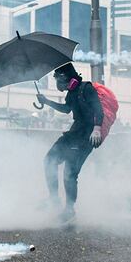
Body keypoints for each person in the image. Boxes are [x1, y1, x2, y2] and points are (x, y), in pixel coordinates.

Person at [36, 63, 104, 223]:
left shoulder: (86, 88)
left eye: (57, 80)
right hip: (73, 134)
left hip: (86, 137)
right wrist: (46, 101)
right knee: (49, 161)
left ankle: (69, 210)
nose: (57, 84)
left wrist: (97, 128)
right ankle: (54, 200)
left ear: (65, 78)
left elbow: (98, 109)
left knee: (70, 173)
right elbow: (67, 109)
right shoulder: (71, 93)